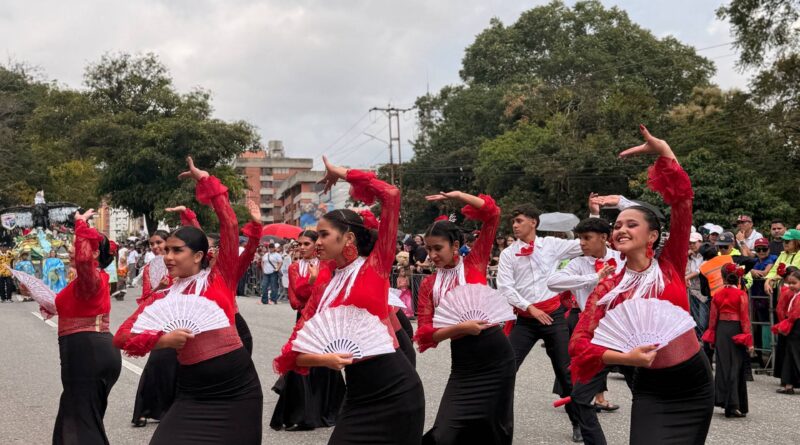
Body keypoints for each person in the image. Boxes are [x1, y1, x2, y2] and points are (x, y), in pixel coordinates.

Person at [569, 126, 713, 445]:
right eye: (617, 225)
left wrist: (665, 153)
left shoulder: (670, 265)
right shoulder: (609, 286)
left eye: (631, 224)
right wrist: (626, 359)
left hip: (694, 382)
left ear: (651, 236)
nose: (620, 229)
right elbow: (579, 345)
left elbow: (682, 203)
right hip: (651, 388)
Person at [274, 156, 424, 445]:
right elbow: (295, 351)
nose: (317, 242)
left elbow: (391, 196)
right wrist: (324, 358)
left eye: (324, 235)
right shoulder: (325, 283)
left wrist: (341, 173)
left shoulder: (375, 266)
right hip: (356, 395)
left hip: (397, 390)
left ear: (349, 238)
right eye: (315, 236)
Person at [114, 158, 263, 444]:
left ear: (197, 256)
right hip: (192, 391)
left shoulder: (220, 277)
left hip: (237, 388)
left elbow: (230, 223)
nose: (167, 257)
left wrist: (207, 182)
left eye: (175, 250)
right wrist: (162, 341)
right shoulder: (163, 296)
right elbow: (121, 337)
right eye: (165, 249)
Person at [413, 191, 514, 445]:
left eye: (438, 248)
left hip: (496, 357)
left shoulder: (475, 262)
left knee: (494, 427)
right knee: (445, 431)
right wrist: (459, 328)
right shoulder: (428, 284)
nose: (432, 255)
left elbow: (493, 215)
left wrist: (459, 195)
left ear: (455, 246)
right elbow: (425, 334)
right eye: (429, 249)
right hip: (464, 363)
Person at [497, 202, 583, 441]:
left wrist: (594, 214)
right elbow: (505, 287)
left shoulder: (551, 245)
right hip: (525, 319)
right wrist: (529, 308)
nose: (514, 226)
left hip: (553, 317)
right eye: (513, 222)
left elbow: (583, 243)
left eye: (519, 221)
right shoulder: (508, 253)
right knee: (505, 369)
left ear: (533, 222)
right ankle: (497, 423)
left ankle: (578, 422)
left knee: (565, 373)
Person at [546, 216, 625, 445]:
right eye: (580, 238)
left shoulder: (621, 259)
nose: (581, 243)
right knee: (580, 398)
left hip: (621, 330)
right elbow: (553, 282)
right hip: (590, 331)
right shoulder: (579, 264)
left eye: (587, 238)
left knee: (643, 391)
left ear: (603, 238)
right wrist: (593, 277)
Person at [48, 209, 121, 445]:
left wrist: (80, 224)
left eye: (77, 244)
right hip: (88, 350)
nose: (72, 249)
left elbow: (82, 259)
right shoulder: (88, 281)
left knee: (82, 421)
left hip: (87, 352)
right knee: (75, 416)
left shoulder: (92, 278)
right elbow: (76, 308)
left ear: (95, 253)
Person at [271, 230, 345, 432]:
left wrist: (311, 287)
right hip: (304, 318)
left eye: (306, 244)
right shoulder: (295, 267)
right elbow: (295, 301)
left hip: (323, 320)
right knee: (300, 361)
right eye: (299, 244)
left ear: (316, 244)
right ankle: (301, 414)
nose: (302, 248)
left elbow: (327, 294)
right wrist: (312, 285)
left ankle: (325, 410)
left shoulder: (329, 265)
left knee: (324, 365)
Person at [128, 229, 176, 428]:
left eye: (159, 243)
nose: (156, 247)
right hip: (160, 320)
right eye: (152, 244)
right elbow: (145, 299)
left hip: (180, 318)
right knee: (156, 362)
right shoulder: (149, 269)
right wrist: (159, 288)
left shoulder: (179, 262)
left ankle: (174, 410)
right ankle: (144, 410)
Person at [701, 263, 753, 418]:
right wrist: (749, 341)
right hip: (736, 329)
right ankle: (734, 404)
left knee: (724, 366)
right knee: (735, 365)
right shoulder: (741, 295)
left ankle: (725, 401)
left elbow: (712, 319)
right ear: (739, 278)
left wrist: (713, 337)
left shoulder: (717, 294)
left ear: (722, 277)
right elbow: (745, 319)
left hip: (722, 330)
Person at [772, 266, 800, 394]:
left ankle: (789, 384)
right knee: (790, 354)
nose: (791, 286)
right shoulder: (794, 294)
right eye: (789, 283)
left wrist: (784, 324)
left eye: (794, 283)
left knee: (794, 354)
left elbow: (794, 313)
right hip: (792, 325)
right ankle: (789, 384)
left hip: (796, 326)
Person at [764, 229, 800, 299]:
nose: (784, 243)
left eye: (787, 241)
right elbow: (773, 271)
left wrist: (773, 279)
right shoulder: (782, 254)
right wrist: (767, 281)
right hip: (782, 290)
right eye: (783, 241)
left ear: (797, 242)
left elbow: (791, 272)